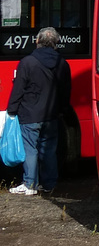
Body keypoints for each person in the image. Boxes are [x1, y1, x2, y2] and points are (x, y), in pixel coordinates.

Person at [6, 27, 71, 196]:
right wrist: (62, 110)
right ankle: (49, 184)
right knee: (49, 150)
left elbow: (18, 89)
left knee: (30, 149)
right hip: (52, 115)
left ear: (37, 41)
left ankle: (30, 184)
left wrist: (12, 110)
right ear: (56, 43)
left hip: (30, 114)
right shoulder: (62, 63)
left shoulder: (27, 62)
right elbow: (66, 91)